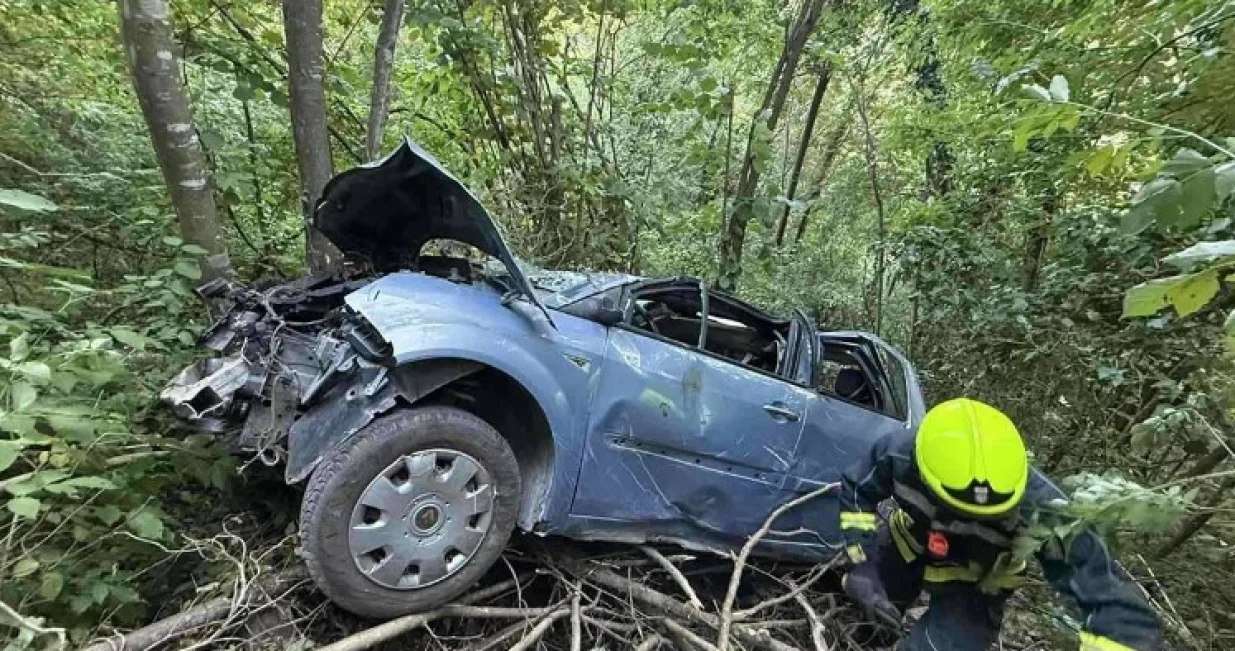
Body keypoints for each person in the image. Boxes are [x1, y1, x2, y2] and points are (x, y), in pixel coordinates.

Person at [837, 398, 1161, 651]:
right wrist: (861, 563)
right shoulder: (898, 454)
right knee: (870, 621)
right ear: (922, 472)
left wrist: (1120, 639)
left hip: (976, 584)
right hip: (907, 547)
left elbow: (1107, 595)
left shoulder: (1045, 509)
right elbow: (856, 492)